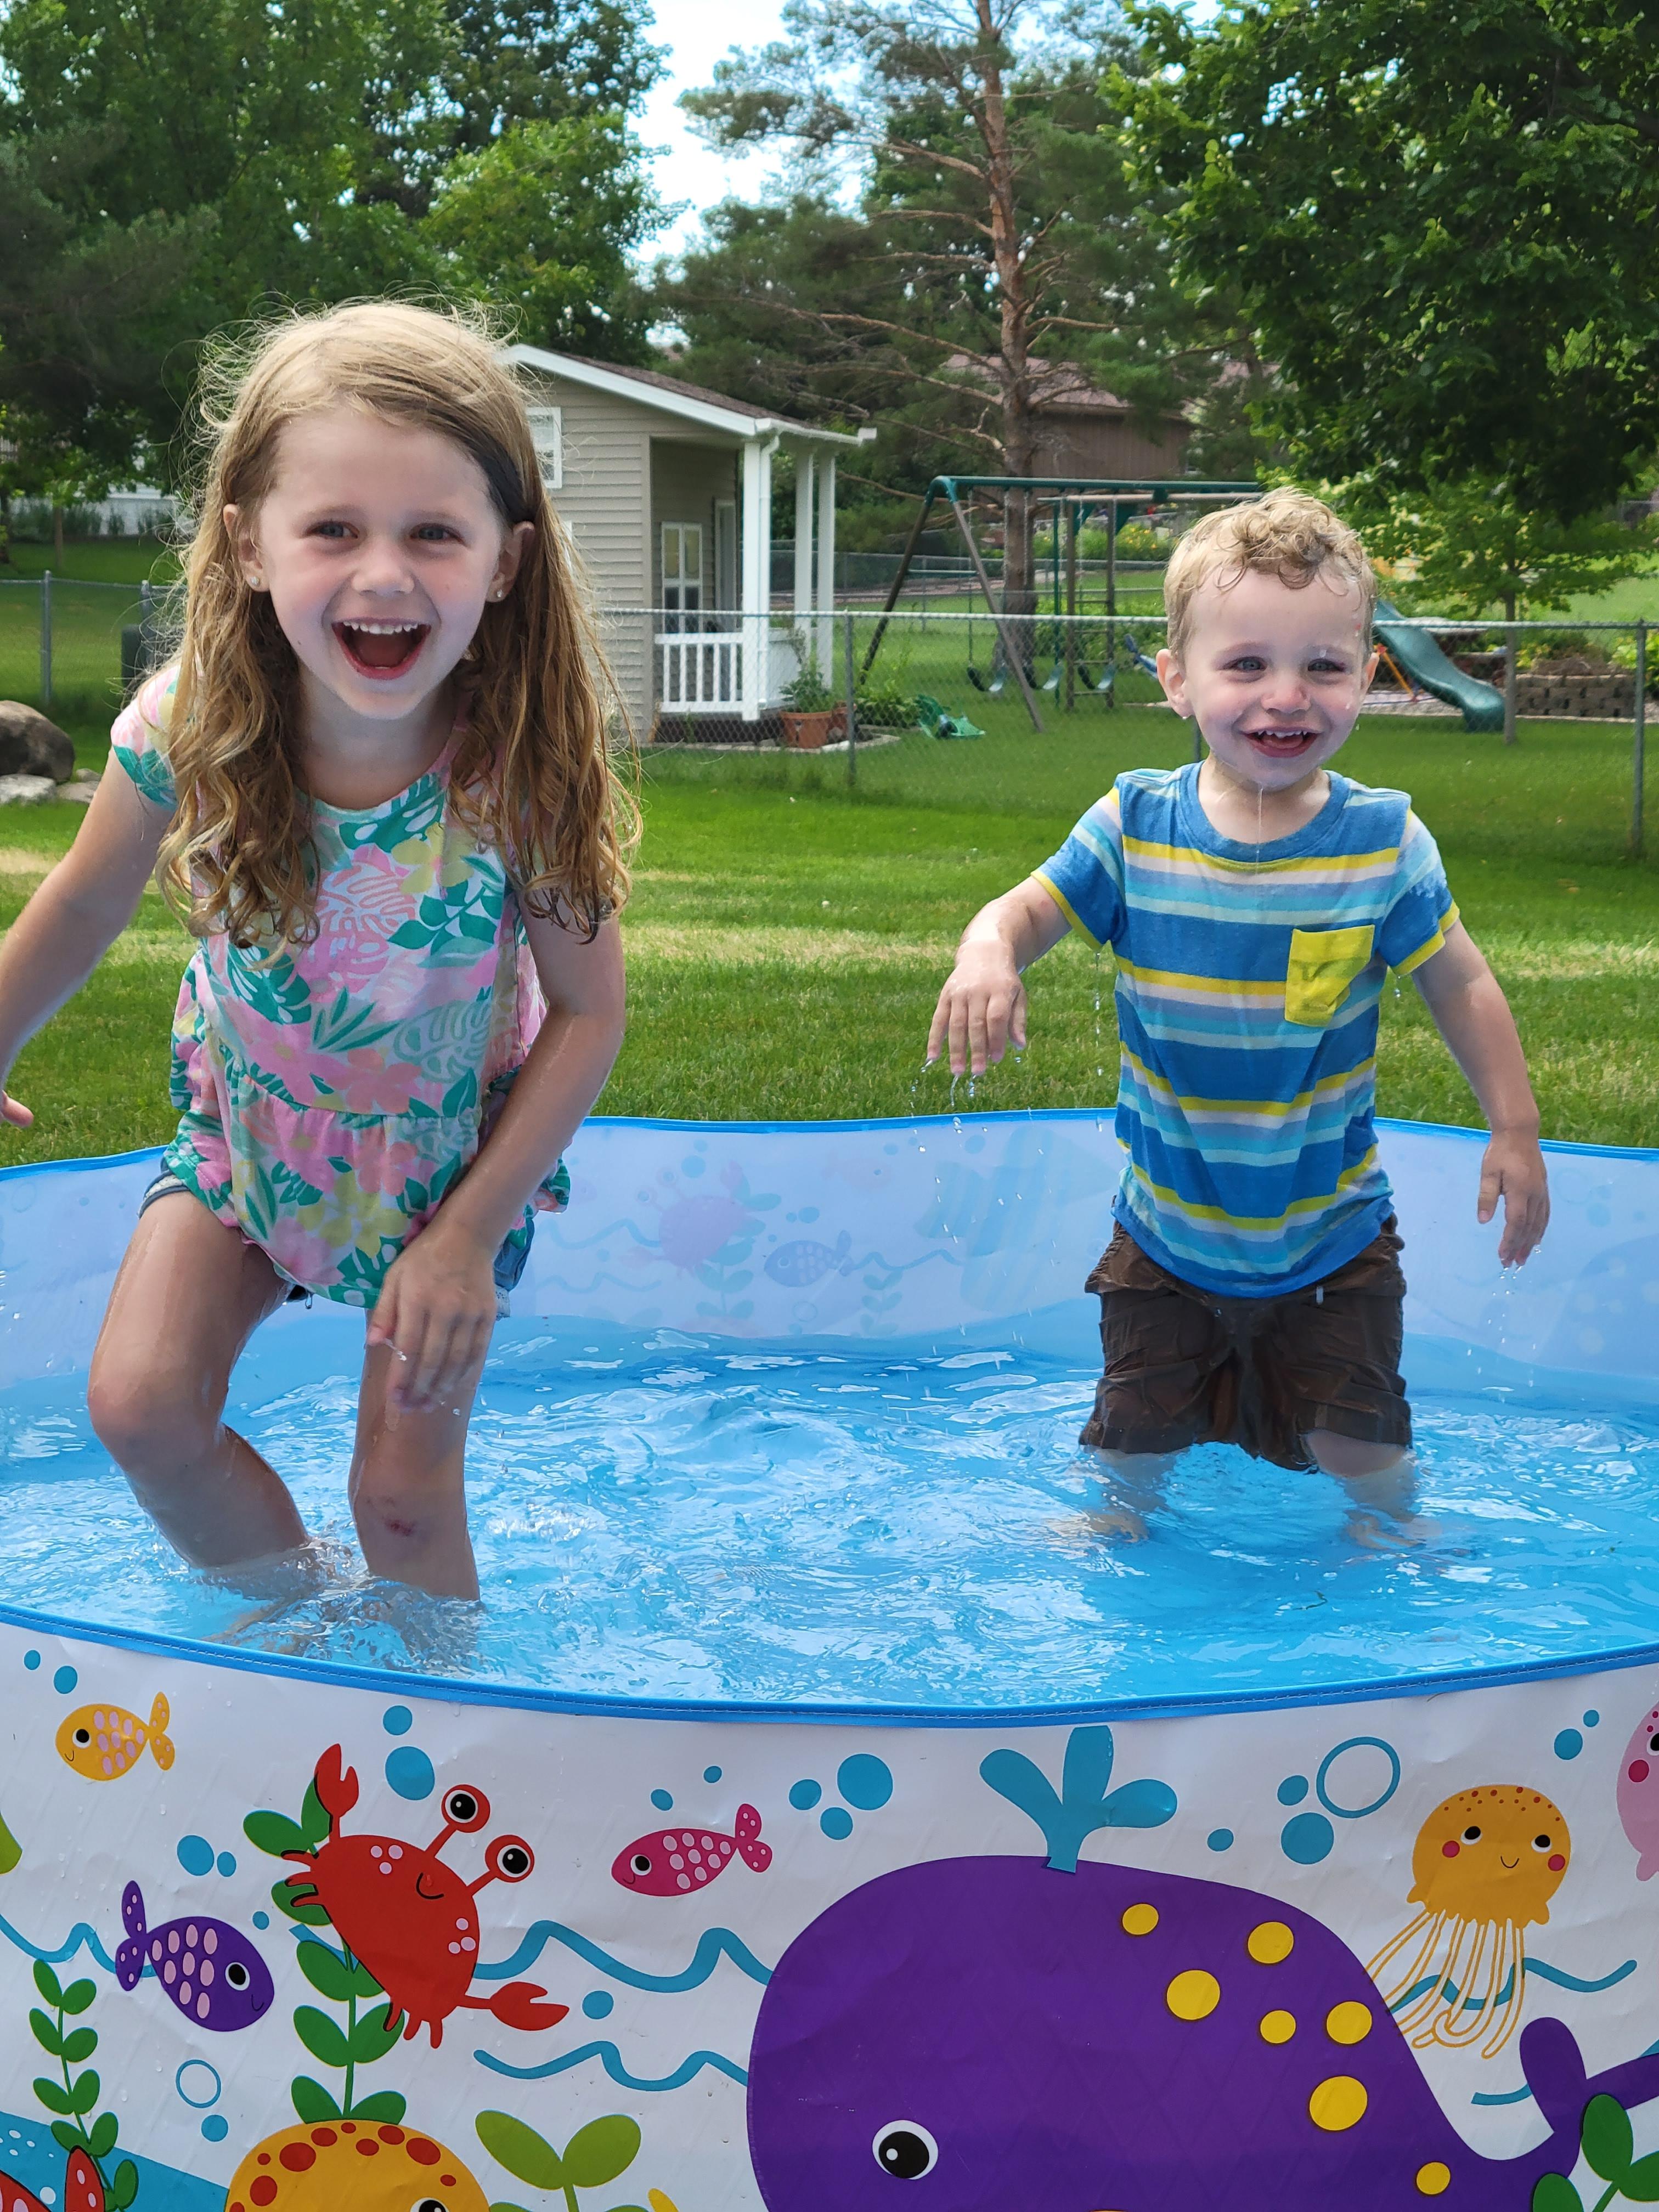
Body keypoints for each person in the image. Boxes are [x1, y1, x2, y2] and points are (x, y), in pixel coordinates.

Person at [0, 302, 633, 1601]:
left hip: (444, 1175)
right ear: (247, 543)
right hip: (249, 1139)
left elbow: (588, 1014)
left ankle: (456, 1736)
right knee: (139, 1408)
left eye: (434, 535)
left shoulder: (518, 774)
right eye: (333, 529)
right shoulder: (189, 730)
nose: (384, 574)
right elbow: (79, 904)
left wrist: (467, 1236)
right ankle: (310, 1639)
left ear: (506, 564)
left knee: (399, 1501)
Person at [927, 489, 1548, 1543]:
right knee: (1131, 1443)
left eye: (1325, 665)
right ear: (1176, 680)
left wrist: (1516, 1126)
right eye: (1248, 664)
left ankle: (1394, 1536)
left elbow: (1462, 982)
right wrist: (988, 949)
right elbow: (1028, 910)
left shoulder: (1382, 842)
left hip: (1330, 1240)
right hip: (1167, 1236)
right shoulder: (1135, 823)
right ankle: (1118, 1537)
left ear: (1366, 678)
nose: (1286, 696)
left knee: (1362, 1445)